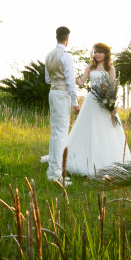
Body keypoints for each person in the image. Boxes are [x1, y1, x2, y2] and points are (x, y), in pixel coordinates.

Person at [64, 42, 131, 177]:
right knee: (89, 128)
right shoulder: (90, 67)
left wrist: (111, 104)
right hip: (91, 100)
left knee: (106, 128)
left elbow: (112, 86)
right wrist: (73, 77)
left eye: (100, 52)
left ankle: (108, 158)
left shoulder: (110, 68)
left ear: (106, 54)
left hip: (105, 101)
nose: (97, 54)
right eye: (95, 52)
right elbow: (81, 82)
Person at [44, 26, 79, 184]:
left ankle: (52, 171)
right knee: (61, 134)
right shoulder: (66, 55)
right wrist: (75, 103)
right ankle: (57, 174)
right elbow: (71, 82)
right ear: (67, 39)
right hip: (62, 95)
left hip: (52, 93)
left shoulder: (49, 55)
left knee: (55, 133)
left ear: (56, 37)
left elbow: (47, 79)